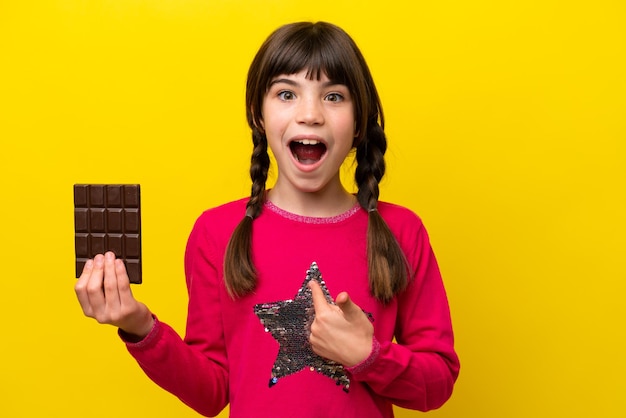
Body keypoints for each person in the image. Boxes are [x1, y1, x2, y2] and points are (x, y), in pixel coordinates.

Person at [75, 21, 460, 418]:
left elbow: (437, 383)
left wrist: (369, 355)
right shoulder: (216, 233)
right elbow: (211, 392)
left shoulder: (402, 231)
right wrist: (140, 327)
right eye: (286, 93)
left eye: (333, 96)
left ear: (359, 122)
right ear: (258, 116)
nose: (310, 114)